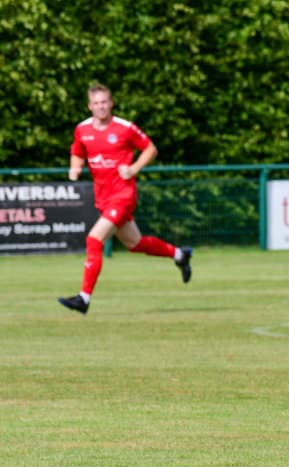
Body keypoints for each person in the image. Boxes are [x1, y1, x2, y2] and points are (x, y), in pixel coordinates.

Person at [58, 83, 191, 314]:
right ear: (90, 106)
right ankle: (180, 254)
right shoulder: (82, 129)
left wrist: (133, 169)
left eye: (104, 102)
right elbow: (77, 151)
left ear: (111, 103)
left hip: (123, 195)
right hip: (103, 198)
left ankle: (83, 299)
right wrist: (75, 168)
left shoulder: (124, 128)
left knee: (94, 239)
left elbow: (150, 149)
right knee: (135, 244)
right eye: (96, 103)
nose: (101, 106)